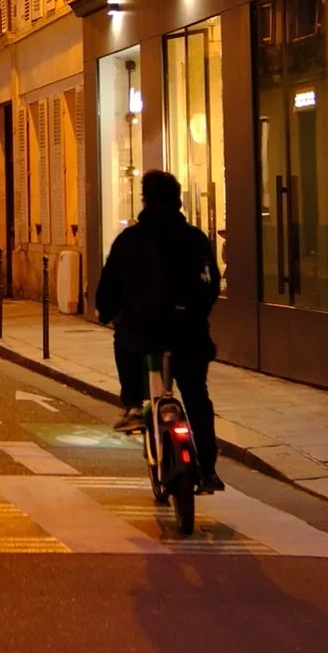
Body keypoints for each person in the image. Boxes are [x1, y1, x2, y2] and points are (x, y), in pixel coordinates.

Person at [95, 168, 224, 493]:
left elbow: (110, 285)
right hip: (189, 335)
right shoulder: (195, 239)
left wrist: (106, 312)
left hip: (143, 335)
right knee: (196, 399)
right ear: (178, 200)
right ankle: (208, 469)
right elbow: (212, 284)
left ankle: (135, 405)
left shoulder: (130, 240)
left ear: (145, 201)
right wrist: (197, 313)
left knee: (122, 342)